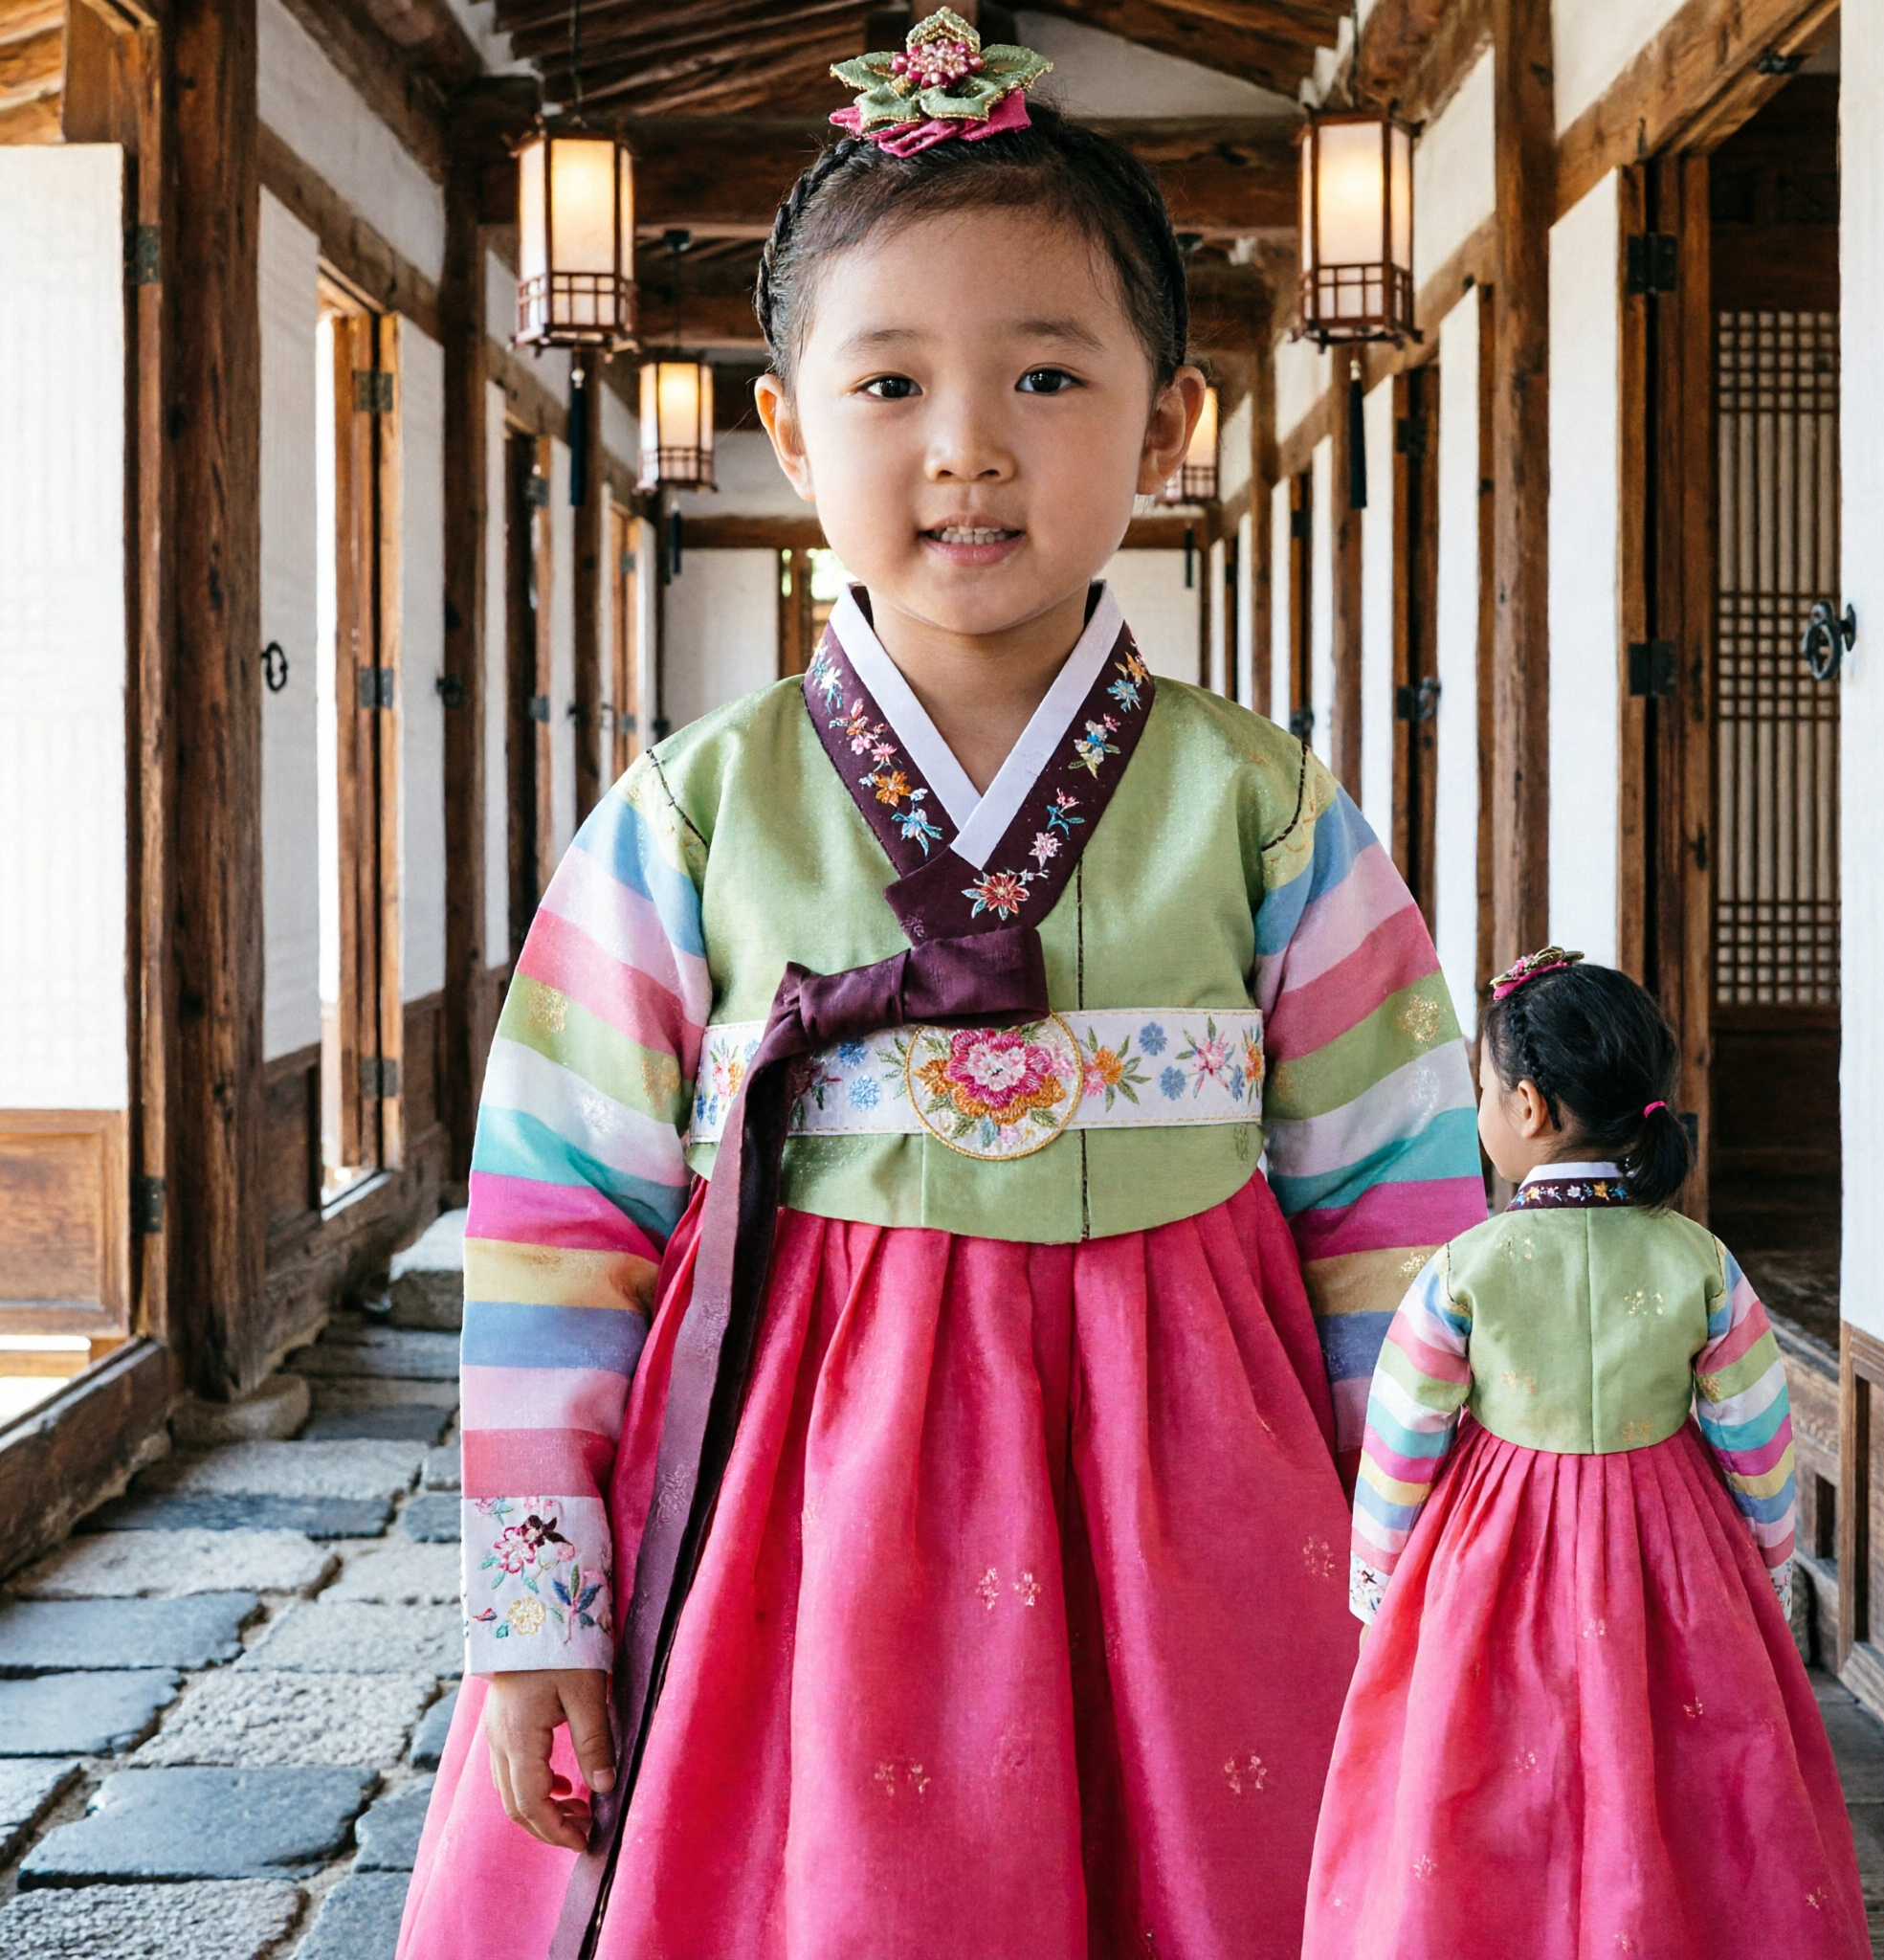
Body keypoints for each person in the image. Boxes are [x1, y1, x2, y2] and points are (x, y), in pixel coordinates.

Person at [397, 16, 1486, 1957]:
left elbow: (1393, 1217)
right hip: (805, 1498)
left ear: (1167, 426)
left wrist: (1428, 1536)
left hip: (1199, 1497)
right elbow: (556, 1228)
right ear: (790, 426)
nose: (966, 443)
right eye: (888, 381)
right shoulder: (692, 812)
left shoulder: (1264, 811)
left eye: (1046, 374)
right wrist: (537, 1611)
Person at [1299, 948, 1870, 1960]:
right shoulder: (1700, 1260)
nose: (1482, 1109)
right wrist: (1768, 1559)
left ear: (1525, 1107)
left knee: (1487, 1757)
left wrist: (1379, 1581)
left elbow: (1403, 1440)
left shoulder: (1464, 1268)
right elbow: (1756, 1433)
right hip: (1672, 1539)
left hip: (1491, 1549)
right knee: (1681, 1751)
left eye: (1482, 1090)